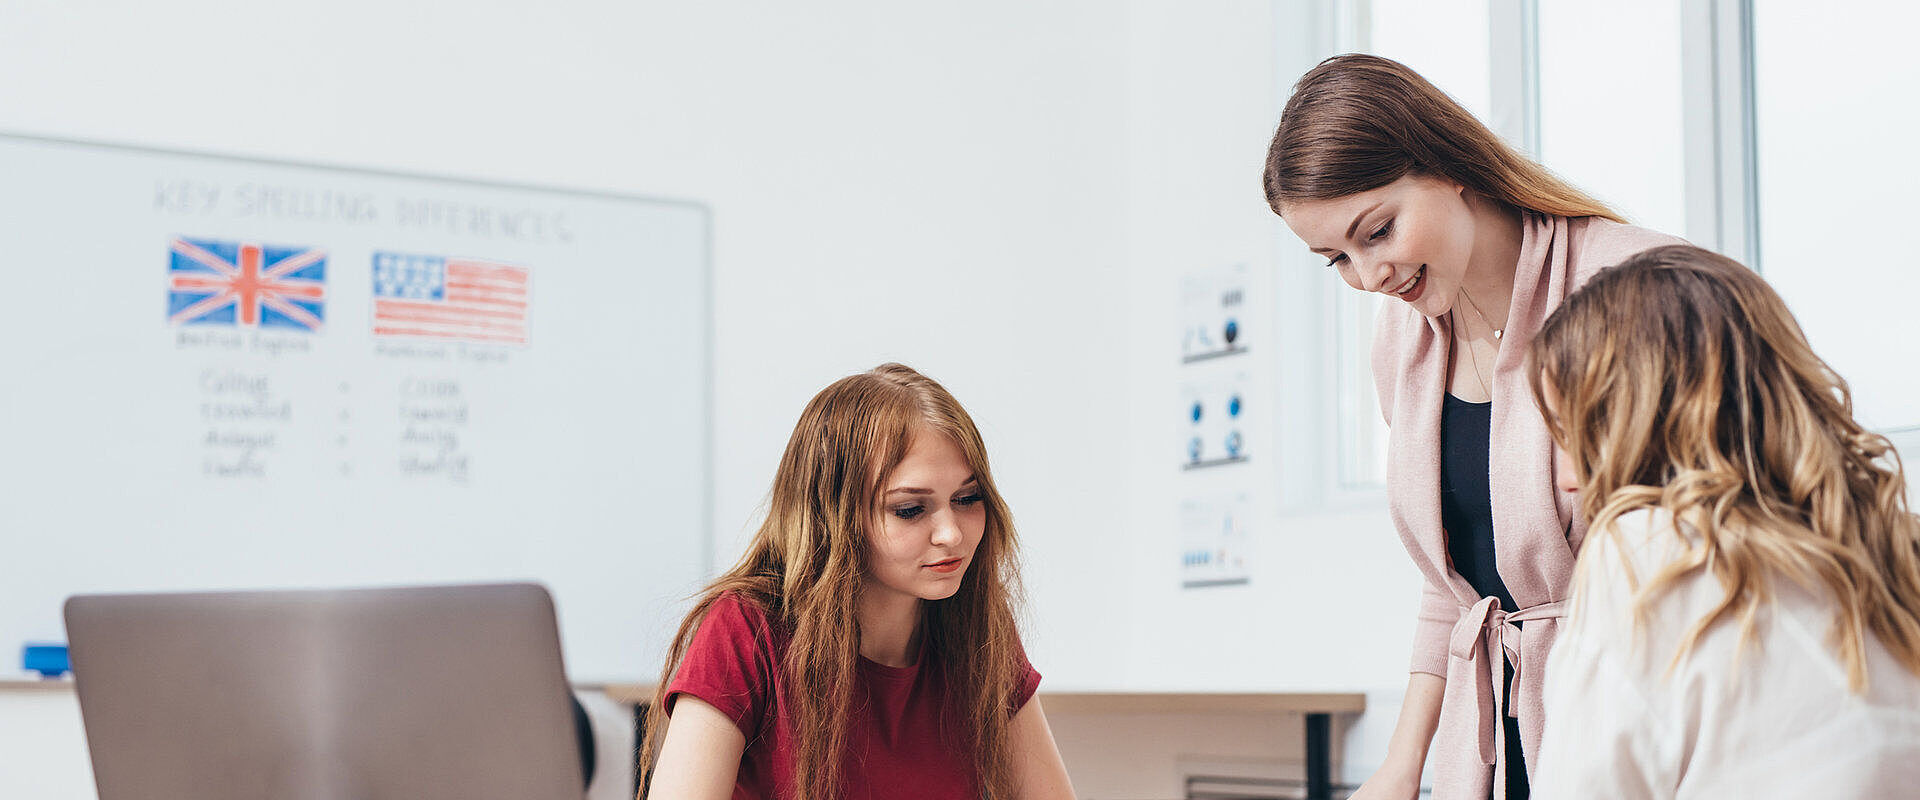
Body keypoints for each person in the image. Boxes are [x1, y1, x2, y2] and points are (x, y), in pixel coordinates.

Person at [1261, 54, 1686, 800]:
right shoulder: (1403, 343)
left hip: (1643, 725)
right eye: (1337, 260)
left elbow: (1729, 543)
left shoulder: (1634, 288)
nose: (1370, 277)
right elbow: (1453, 589)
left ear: (1449, 165)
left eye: (1379, 231)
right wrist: (1400, 768)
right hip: (1501, 747)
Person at [1527, 245, 1920, 798]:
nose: (1567, 480)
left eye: (1571, 435)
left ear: (1639, 420)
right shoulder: (1894, 547)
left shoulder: (1646, 552)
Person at [638, 363, 1076, 800]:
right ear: (834, 518)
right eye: (909, 510)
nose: (952, 534)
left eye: (967, 499)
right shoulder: (745, 631)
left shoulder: (977, 630)